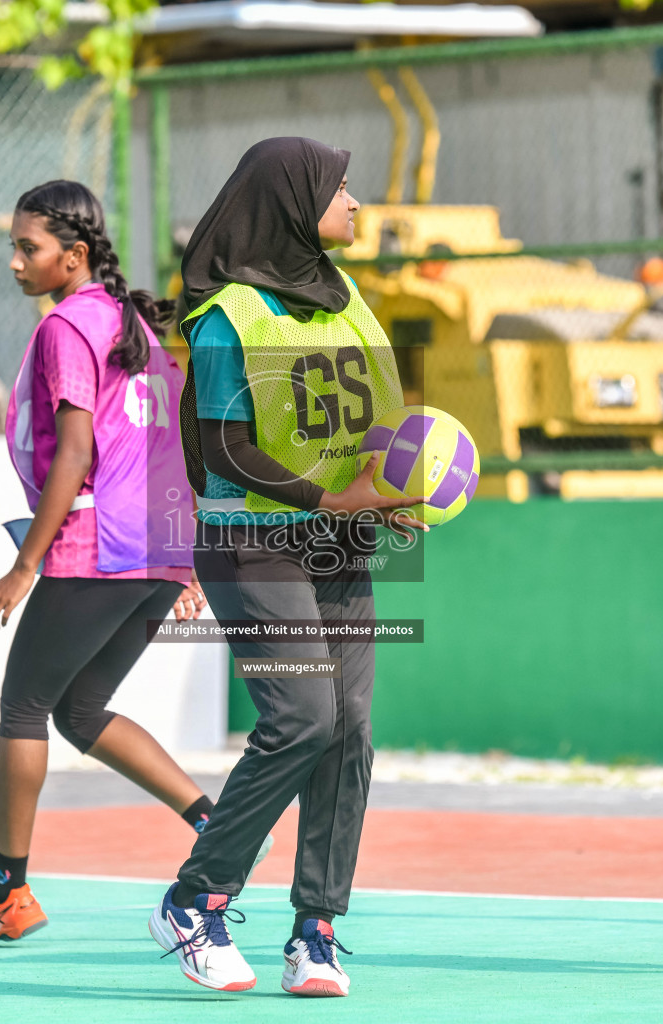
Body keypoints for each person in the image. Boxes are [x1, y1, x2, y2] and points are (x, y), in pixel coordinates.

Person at [147, 137, 423, 997]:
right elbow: (226, 444)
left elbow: (378, 424)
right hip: (253, 539)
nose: (355, 203)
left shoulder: (352, 305)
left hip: (337, 540)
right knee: (303, 715)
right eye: (341, 188)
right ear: (293, 199)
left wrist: (397, 487)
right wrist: (328, 500)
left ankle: (316, 929)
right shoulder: (231, 314)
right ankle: (195, 899)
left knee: (350, 730)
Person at [0, 180, 268, 945]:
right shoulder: (136, 322)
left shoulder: (70, 326)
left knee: (23, 709)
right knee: (77, 710)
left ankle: (10, 890)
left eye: (26, 248)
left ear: (71, 255)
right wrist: (187, 559)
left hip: (97, 545)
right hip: (159, 548)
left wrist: (24, 565)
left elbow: (76, 452)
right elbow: (171, 446)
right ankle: (216, 825)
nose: (14, 262)